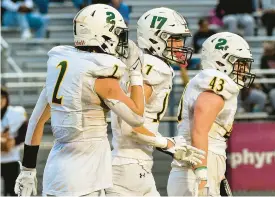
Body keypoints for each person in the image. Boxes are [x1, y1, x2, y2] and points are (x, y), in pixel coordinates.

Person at [14, 4, 146, 196]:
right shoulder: (101, 75)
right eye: (118, 34)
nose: (121, 41)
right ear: (102, 34)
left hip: (57, 175)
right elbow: (137, 117)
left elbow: (36, 121)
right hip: (84, 182)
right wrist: (136, 73)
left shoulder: (65, 68)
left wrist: (28, 169)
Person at [106, 7, 205, 196]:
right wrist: (167, 144)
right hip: (128, 168)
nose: (180, 45)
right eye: (174, 39)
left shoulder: (145, 63)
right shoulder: (156, 68)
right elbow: (130, 125)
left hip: (132, 166)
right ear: (155, 38)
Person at [167, 32, 256, 196]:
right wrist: (201, 175)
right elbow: (199, 131)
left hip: (202, 165)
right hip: (196, 168)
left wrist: (219, 176)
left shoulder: (213, 84)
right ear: (221, 61)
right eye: (240, 64)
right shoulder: (215, 85)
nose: (244, 70)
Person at [1, 87, 28, 196]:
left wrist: (14, 141)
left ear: (6, 99)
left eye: (2, 98)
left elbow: (25, 131)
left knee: (12, 190)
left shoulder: (16, 113)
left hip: (10, 158)